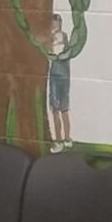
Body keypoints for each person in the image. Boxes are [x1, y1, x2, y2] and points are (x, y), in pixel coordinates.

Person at [44, 17, 73, 151]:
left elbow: (54, 51)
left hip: (58, 76)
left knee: (58, 109)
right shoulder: (59, 38)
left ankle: (61, 140)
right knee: (61, 109)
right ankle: (65, 139)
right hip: (62, 76)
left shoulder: (59, 38)